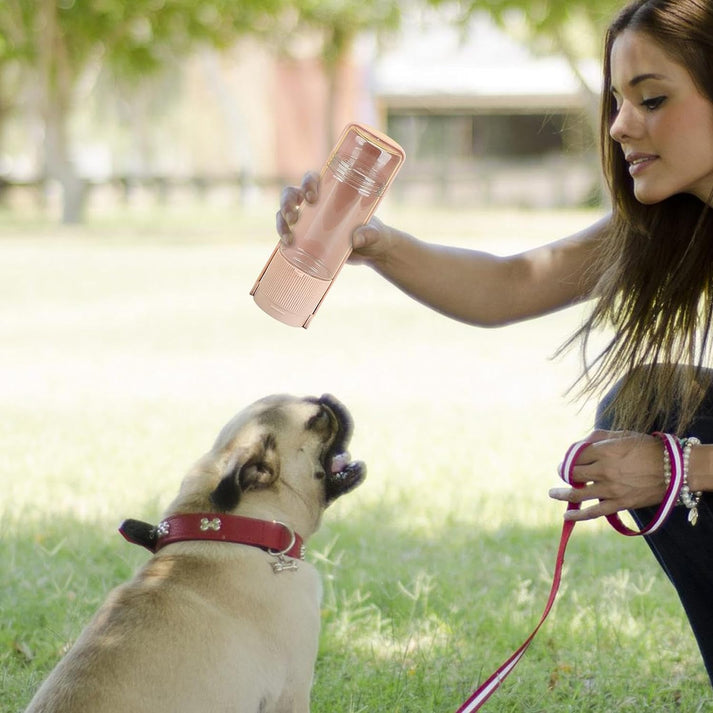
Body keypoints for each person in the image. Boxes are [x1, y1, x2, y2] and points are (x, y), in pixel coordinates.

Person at [276, 0, 713, 686]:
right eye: (616, 100)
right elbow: (509, 285)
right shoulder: (677, 220)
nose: (621, 125)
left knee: (666, 428)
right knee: (646, 405)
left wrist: (681, 467)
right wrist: (376, 244)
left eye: (651, 98)